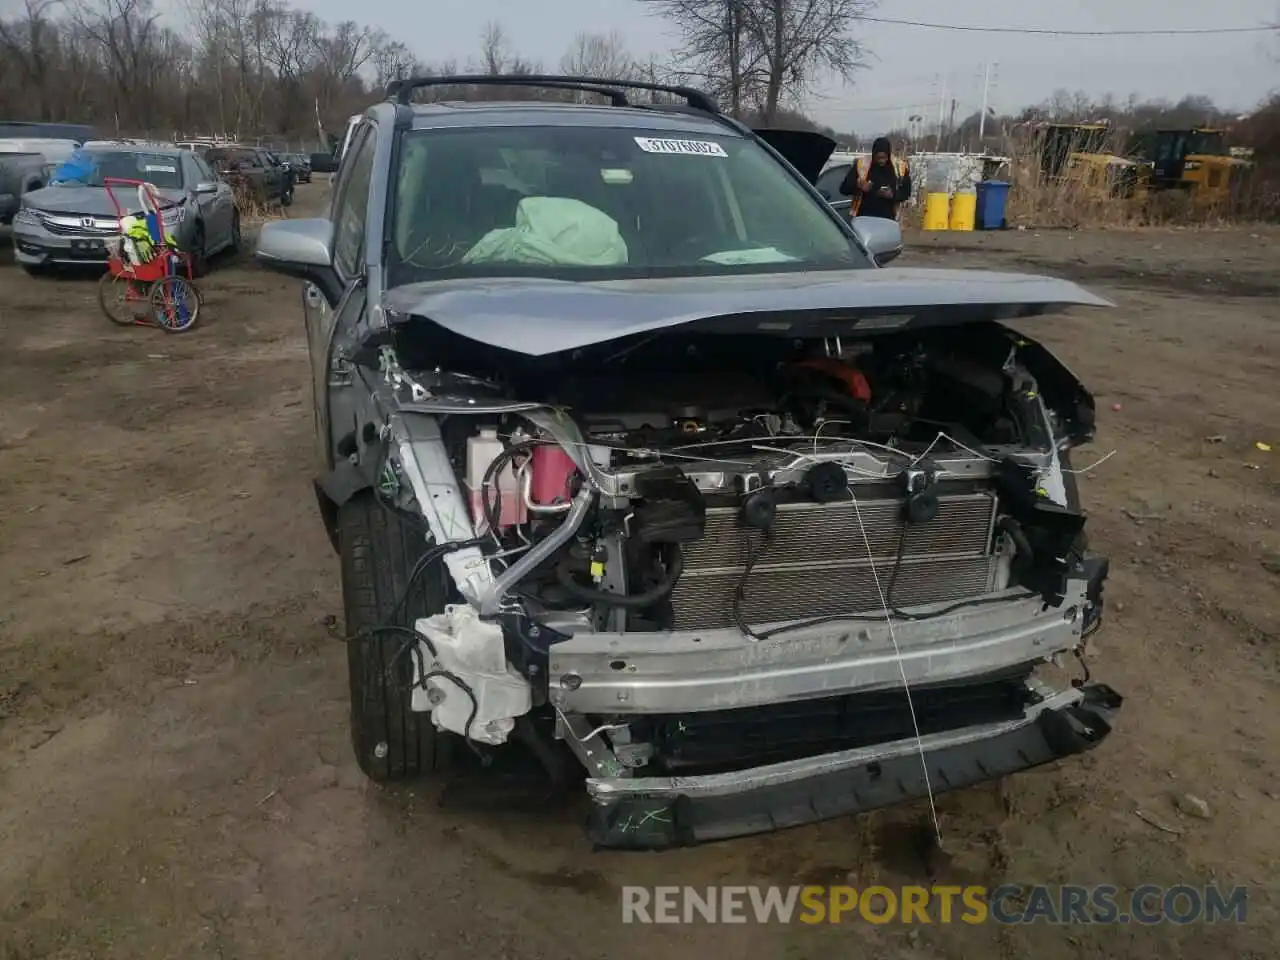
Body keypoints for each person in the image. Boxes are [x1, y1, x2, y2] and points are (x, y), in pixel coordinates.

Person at [840, 137, 911, 220]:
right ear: (873, 154)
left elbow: (906, 192)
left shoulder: (900, 167)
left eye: (884, 157)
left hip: (888, 220)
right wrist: (858, 186)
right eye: (878, 157)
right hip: (863, 218)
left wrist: (892, 195)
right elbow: (843, 189)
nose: (881, 161)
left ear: (889, 154)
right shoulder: (861, 165)